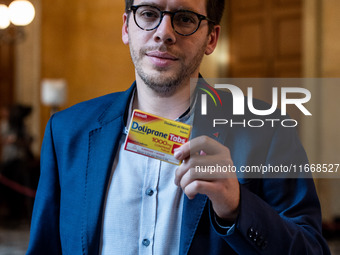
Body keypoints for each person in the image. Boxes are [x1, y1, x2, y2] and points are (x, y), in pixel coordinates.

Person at [27, 0, 330, 254]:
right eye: (148, 14)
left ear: (211, 38)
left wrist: (238, 206)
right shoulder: (66, 132)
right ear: (126, 27)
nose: (164, 33)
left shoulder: (268, 130)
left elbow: (312, 249)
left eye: (185, 19)